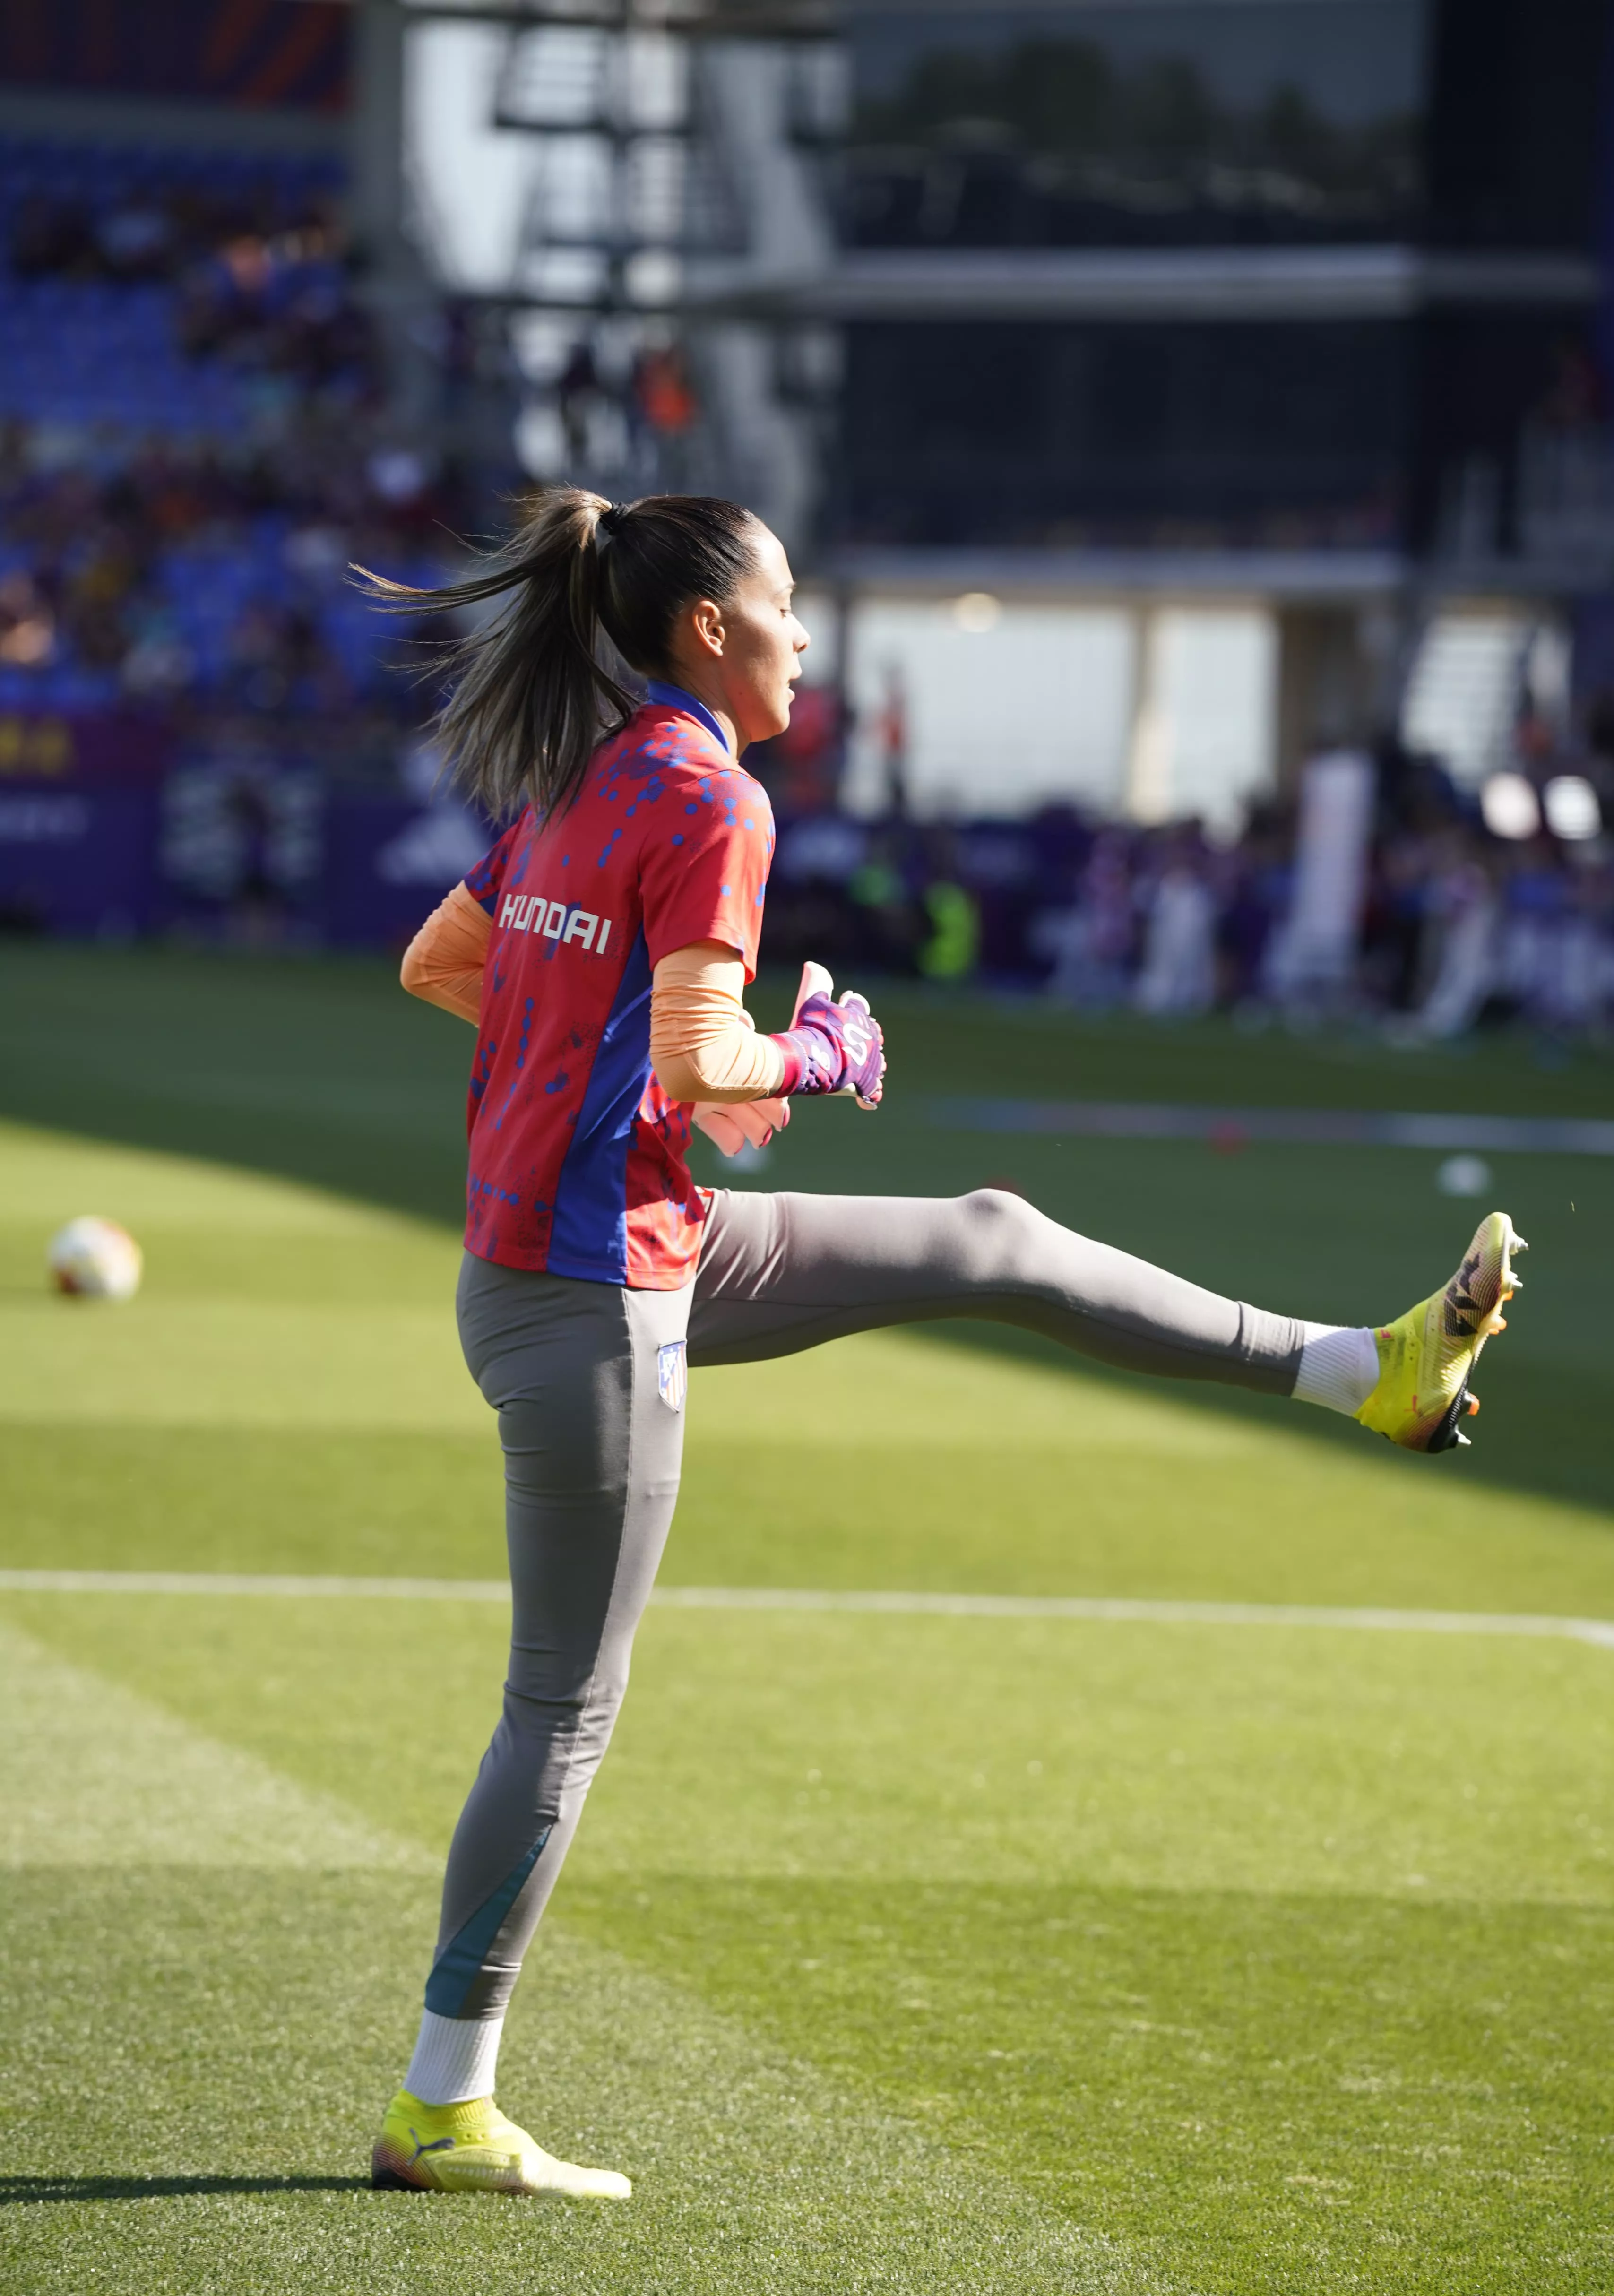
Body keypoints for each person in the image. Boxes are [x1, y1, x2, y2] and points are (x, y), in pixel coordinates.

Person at [354, 489, 1527, 2200]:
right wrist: (811, 1052)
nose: (806, 633)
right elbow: (697, 1061)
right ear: (709, 629)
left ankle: (1371, 1373)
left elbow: (441, 963)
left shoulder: (581, 780)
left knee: (994, 1240)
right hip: (594, 1300)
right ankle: (442, 2103)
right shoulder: (703, 791)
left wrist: (619, 1080)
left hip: (597, 1259)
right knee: (561, 1709)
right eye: (790, 602)